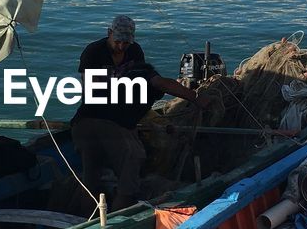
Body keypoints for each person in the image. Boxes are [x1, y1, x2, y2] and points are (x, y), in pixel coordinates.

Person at [71, 15, 211, 210]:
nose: (121, 46)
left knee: (93, 178)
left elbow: (157, 83)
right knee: (124, 173)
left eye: (126, 43)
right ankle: (116, 221)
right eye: (117, 41)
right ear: (109, 33)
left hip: (102, 121)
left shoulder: (135, 54)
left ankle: (89, 217)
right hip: (96, 120)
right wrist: (195, 98)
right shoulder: (94, 52)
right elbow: (90, 88)